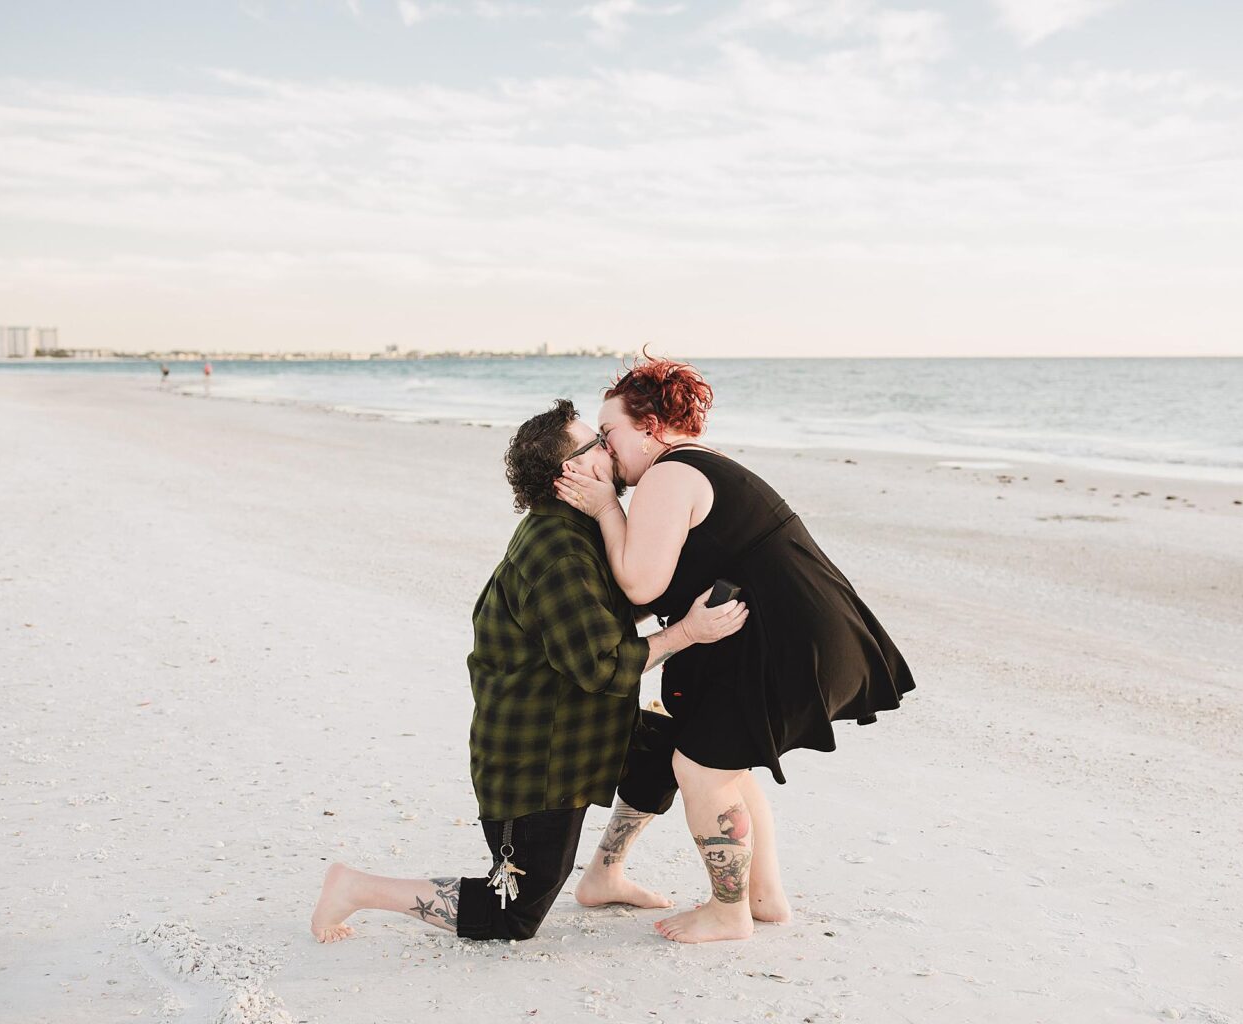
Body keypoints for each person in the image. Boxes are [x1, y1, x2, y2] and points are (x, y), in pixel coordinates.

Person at [311, 399, 748, 943]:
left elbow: (602, 611)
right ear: (576, 469)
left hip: (582, 728)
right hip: (536, 760)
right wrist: (688, 632)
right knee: (513, 916)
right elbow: (604, 664)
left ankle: (606, 873)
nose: (610, 450)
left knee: (666, 753)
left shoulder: (577, 528)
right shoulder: (556, 551)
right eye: (599, 443)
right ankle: (355, 888)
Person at [556, 358, 916, 944]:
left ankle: (728, 912)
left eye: (609, 431)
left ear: (649, 426)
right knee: (725, 763)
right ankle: (763, 897)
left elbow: (641, 583)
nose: (605, 446)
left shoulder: (670, 475)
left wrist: (603, 508)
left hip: (787, 641)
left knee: (699, 766)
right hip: (801, 634)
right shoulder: (702, 466)